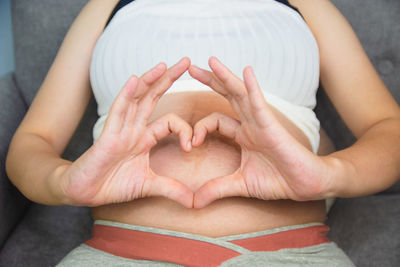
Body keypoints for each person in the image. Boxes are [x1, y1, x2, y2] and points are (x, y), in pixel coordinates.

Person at [5, 0, 400, 266]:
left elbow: (388, 129)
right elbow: (32, 142)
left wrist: (330, 175)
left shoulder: (306, 4)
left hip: (288, 252)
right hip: (120, 252)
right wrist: (63, 182)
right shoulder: (106, 6)